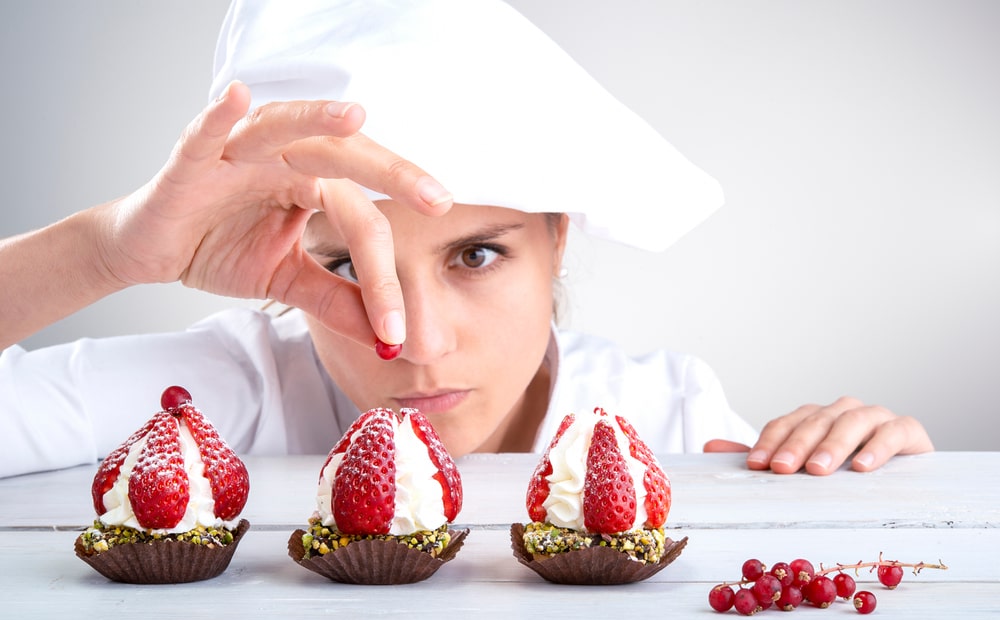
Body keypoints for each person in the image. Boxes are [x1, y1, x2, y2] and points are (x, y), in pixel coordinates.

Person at [0, 0, 932, 480]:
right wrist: (107, 252)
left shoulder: (670, 416)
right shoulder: (220, 396)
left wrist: (872, 469)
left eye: (475, 254)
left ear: (559, 237)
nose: (420, 344)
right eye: (342, 263)